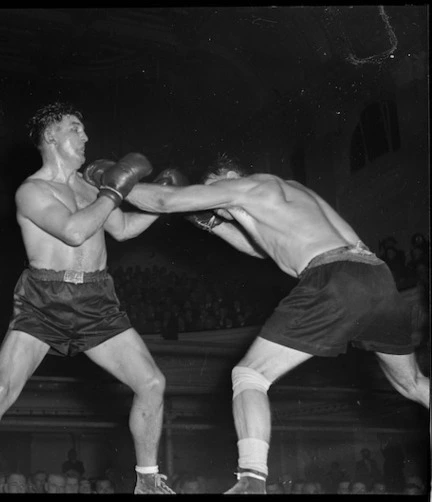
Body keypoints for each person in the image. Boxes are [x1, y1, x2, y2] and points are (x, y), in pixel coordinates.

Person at [125, 152, 430, 494]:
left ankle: (252, 481)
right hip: (378, 279)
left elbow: (166, 200)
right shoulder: (290, 193)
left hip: (334, 277)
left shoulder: (246, 187)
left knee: (249, 375)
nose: (215, 206)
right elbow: (265, 250)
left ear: (228, 174)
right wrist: (214, 225)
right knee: (413, 384)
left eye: (214, 193)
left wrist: (112, 186)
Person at [0, 101, 177, 495]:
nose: (85, 136)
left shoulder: (87, 186)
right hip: (44, 298)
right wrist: (114, 189)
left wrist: (163, 205)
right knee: (1, 390)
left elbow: (123, 229)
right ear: (52, 136)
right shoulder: (31, 191)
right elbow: (72, 232)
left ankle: (148, 480)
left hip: (97, 297)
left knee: (151, 381)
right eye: (75, 128)